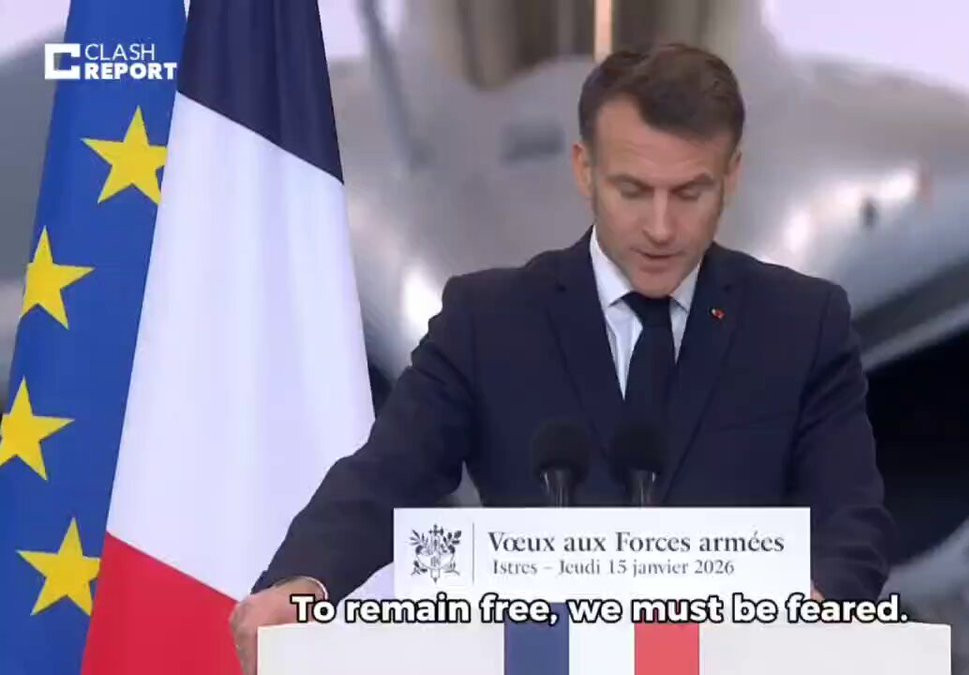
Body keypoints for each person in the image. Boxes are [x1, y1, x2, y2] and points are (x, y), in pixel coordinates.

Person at [230, 42, 892, 671]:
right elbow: (386, 476)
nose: (661, 227)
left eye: (690, 193)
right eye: (633, 190)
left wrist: (820, 608)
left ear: (732, 178)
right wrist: (302, 581)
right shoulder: (488, 320)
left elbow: (851, 517)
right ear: (585, 171)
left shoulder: (802, 323)